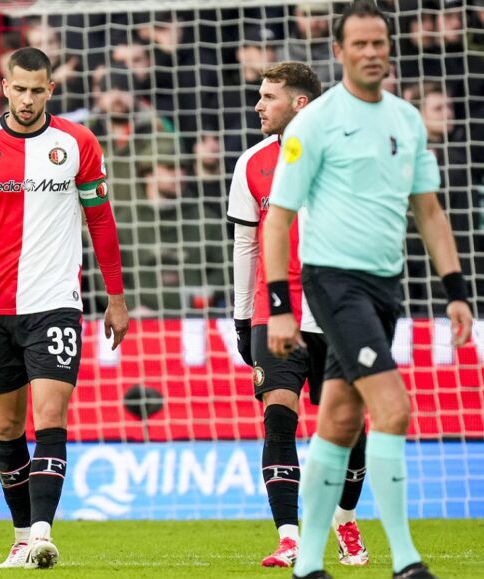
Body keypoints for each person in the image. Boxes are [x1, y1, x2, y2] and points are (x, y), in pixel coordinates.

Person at [262, 3, 474, 579]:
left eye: (379, 42)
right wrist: (281, 308)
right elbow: (278, 219)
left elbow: (428, 210)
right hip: (333, 283)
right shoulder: (315, 123)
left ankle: (307, 563)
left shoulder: (407, 121)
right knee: (394, 409)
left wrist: (456, 290)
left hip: (386, 286)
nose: (372, 52)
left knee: (337, 419)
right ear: (340, 52)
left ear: (389, 46)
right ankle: (406, 560)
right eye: (359, 44)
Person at [0, 47, 129, 569]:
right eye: (20, 89)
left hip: (56, 303)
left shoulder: (76, 141)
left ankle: (42, 533)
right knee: (5, 427)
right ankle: (20, 535)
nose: (28, 98)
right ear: (4, 86)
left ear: (50, 91)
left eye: (39, 90)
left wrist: (117, 295)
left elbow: (100, 222)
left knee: (50, 415)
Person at [228, 61, 369, 569]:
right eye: (259, 95)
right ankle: (288, 537)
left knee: (349, 427)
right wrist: (243, 318)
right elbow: (245, 247)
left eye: (268, 97)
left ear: (300, 103)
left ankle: (345, 521)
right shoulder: (250, 164)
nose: (258, 105)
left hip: (339, 311)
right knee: (278, 417)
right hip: (275, 312)